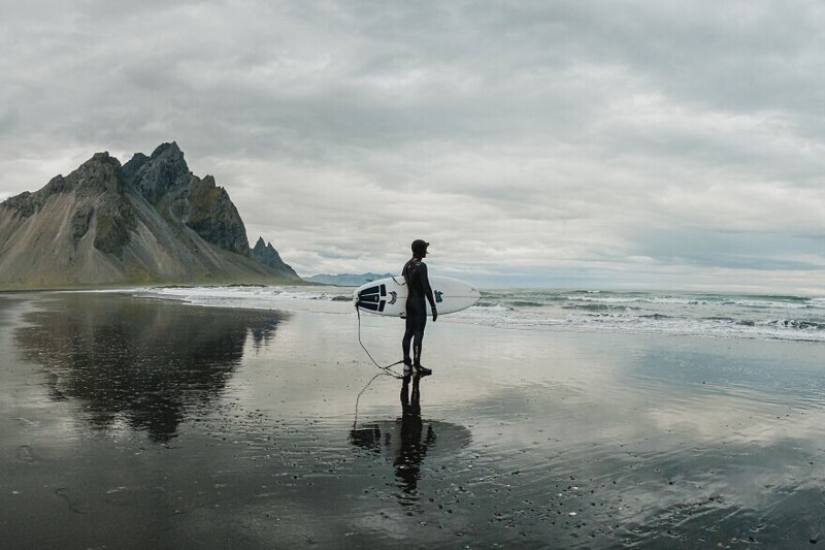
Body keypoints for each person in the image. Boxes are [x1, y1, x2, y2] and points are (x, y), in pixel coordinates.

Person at [401, 239, 437, 375]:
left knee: (408, 332)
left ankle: (406, 364)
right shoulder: (421, 266)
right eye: (425, 250)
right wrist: (433, 306)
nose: (426, 253)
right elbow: (426, 288)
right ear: (421, 250)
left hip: (409, 302)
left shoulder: (407, 265)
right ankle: (417, 365)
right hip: (419, 303)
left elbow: (402, 287)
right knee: (419, 333)